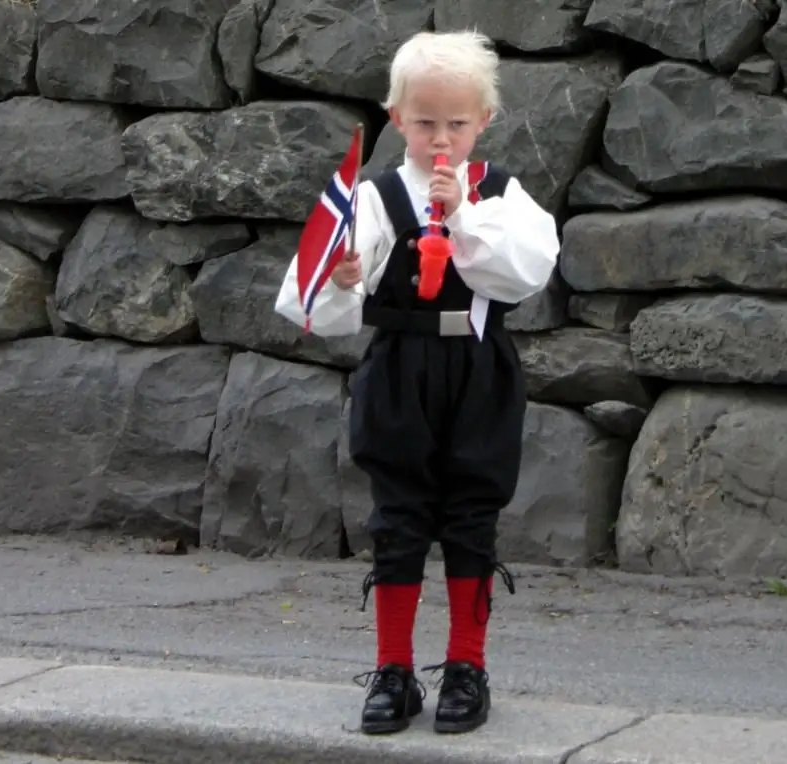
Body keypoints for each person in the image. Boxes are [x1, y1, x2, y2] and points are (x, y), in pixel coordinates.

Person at [274, 30, 560, 736]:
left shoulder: (500, 193)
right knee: (397, 516)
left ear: (482, 122)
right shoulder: (373, 198)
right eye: (425, 122)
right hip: (400, 365)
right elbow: (316, 303)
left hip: (477, 365)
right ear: (396, 117)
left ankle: (466, 666)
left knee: (471, 513)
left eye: (456, 124)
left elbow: (524, 271)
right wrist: (343, 281)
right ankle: (393, 671)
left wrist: (461, 216)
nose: (441, 139)